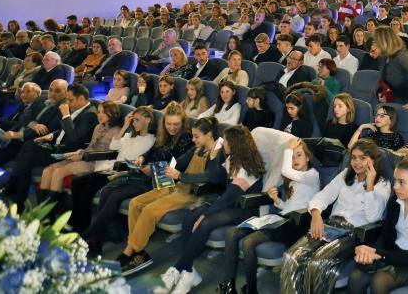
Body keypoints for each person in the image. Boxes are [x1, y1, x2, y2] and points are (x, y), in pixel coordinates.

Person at [159, 125, 265, 294]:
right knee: (189, 218)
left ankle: (179, 268)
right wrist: (215, 155)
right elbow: (215, 177)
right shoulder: (232, 157)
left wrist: (204, 215)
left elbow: (229, 197)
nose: (224, 144)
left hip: (246, 208)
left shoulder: (247, 168)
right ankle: (189, 272)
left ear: (235, 143)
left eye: (226, 142)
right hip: (229, 202)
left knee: (205, 222)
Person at [279, 139, 391, 294]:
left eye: (362, 158)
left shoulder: (382, 184)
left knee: (318, 262)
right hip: (331, 226)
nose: (357, 163)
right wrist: (316, 215)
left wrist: (370, 185)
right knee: (291, 256)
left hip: (353, 233)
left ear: (373, 160)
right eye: (354, 158)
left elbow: (373, 217)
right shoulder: (346, 175)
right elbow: (322, 197)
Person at [118, 116, 225, 275]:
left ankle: (129, 251)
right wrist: (155, 168)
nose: (193, 139)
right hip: (177, 186)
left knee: (149, 211)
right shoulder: (196, 149)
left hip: (190, 193)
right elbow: (178, 163)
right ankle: (137, 250)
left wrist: (179, 175)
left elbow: (209, 177)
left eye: (196, 136)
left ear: (209, 135)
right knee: (135, 203)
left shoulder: (217, 153)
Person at [81, 102, 194, 254]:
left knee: (115, 194)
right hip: (145, 174)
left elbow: (177, 164)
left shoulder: (186, 138)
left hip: (161, 180)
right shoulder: (164, 135)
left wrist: (152, 168)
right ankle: (97, 240)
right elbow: (152, 152)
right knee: (107, 190)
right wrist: (142, 157)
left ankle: (87, 238)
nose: (172, 128)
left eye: (176, 124)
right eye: (169, 124)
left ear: (183, 123)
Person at [220, 138, 320, 294]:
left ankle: (251, 290)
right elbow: (289, 207)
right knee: (231, 233)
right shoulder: (293, 180)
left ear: (308, 157)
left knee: (248, 242)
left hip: (296, 225)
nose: (294, 159)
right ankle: (229, 285)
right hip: (282, 219)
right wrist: (277, 200)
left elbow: (286, 172)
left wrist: (288, 150)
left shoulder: (313, 175)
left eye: (298, 155)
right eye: (292, 156)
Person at [347, 149, 408, 294]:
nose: (395, 186)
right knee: (356, 276)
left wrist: (379, 254)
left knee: (379, 281)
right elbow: (386, 237)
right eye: (395, 180)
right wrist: (368, 250)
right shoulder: (395, 202)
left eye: (402, 182)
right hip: (394, 255)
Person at [5, 82, 98, 210]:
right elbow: (63, 130)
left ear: (81, 99)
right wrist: (52, 135)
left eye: (70, 100)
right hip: (56, 146)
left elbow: (74, 139)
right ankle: (31, 202)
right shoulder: (77, 109)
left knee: (28, 151)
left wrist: (65, 115)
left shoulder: (90, 114)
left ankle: (19, 196)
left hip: (68, 153)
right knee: (29, 148)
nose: (68, 103)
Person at [67, 105, 155, 231]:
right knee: (77, 182)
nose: (134, 123)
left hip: (122, 172)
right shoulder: (130, 135)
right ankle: (75, 220)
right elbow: (114, 146)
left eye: (137, 120)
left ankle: (82, 225)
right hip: (111, 169)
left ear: (147, 120)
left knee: (87, 188)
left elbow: (133, 157)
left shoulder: (150, 139)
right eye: (133, 120)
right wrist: (125, 126)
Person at [37, 101, 122, 203]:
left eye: (103, 112)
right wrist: (79, 152)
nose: (99, 115)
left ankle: (50, 211)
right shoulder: (98, 127)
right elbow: (90, 147)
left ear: (112, 113)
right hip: (85, 157)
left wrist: (82, 156)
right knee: (47, 170)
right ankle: (40, 207)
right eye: (98, 112)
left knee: (58, 172)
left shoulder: (117, 130)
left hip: (95, 163)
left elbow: (108, 153)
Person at [376, 26, 408, 107]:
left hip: (406, 103)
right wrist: (382, 93)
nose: (376, 44)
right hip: (394, 100)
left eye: (377, 42)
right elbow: (384, 78)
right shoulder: (384, 56)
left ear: (384, 42)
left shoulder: (402, 56)